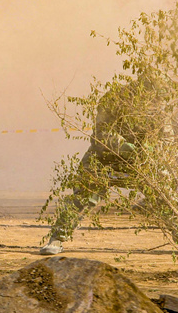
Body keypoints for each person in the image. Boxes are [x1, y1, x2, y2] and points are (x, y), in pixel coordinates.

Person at [40, 76, 165, 254]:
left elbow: (167, 139)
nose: (155, 101)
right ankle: (57, 239)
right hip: (104, 159)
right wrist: (131, 148)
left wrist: (152, 151)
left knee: (168, 197)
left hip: (140, 163)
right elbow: (103, 134)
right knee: (82, 198)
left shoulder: (158, 108)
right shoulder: (114, 99)